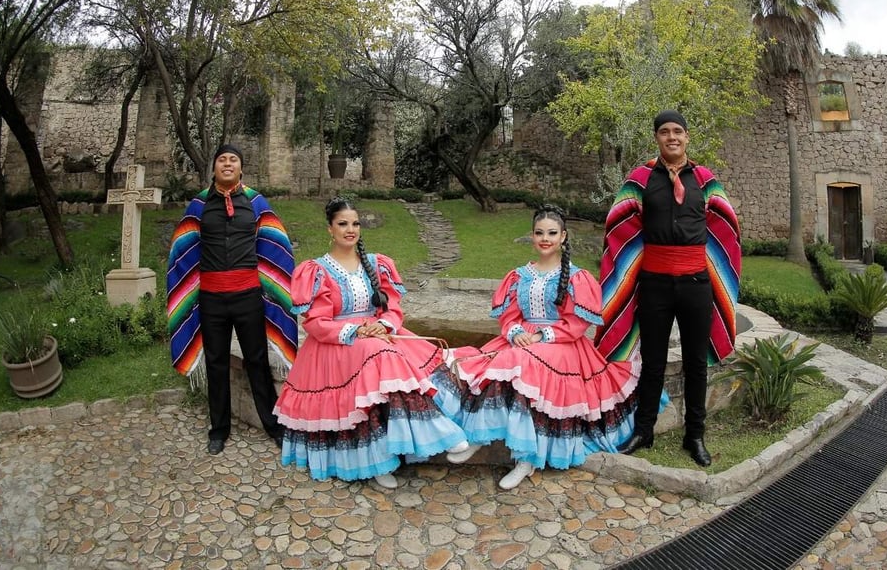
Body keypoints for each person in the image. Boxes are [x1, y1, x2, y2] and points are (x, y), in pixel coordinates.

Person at [430, 205, 641, 490]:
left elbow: (576, 324)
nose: (545, 238)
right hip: (522, 341)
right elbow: (509, 316)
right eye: (539, 233)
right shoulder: (519, 276)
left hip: (561, 344)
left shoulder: (576, 277)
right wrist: (515, 331)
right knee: (497, 366)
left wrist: (541, 336)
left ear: (563, 237)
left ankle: (525, 459)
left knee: (519, 364)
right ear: (532, 236)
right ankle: (479, 436)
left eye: (552, 233)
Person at [272, 197, 469, 489]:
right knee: (383, 358)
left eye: (355, 223)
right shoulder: (317, 270)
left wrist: (383, 324)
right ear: (330, 229)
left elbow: (393, 308)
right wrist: (356, 331)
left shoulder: (376, 264)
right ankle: (391, 454)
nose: (350, 230)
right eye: (342, 224)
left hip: (377, 335)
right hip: (336, 345)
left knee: (397, 360)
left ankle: (423, 436)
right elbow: (315, 322)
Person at [596, 110, 741, 467]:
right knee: (653, 362)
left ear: (687, 137)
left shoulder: (706, 181)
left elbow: (725, 226)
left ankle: (695, 435)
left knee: (695, 363)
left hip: (696, 284)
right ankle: (644, 431)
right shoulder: (640, 180)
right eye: (664, 132)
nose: (671, 137)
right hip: (655, 283)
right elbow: (619, 225)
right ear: (657, 138)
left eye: (678, 131)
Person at [166, 144, 297, 456]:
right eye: (222, 159)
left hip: (248, 296)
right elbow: (182, 250)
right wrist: (185, 290)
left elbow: (276, 242)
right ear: (214, 168)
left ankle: (273, 425)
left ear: (241, 168)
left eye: (233, 160)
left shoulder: (255, 202)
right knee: (216, 363)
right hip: (212, 299)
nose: (227, 164)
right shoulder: (198, 205)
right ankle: (218, 430)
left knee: (257, 360)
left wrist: (275, 284)